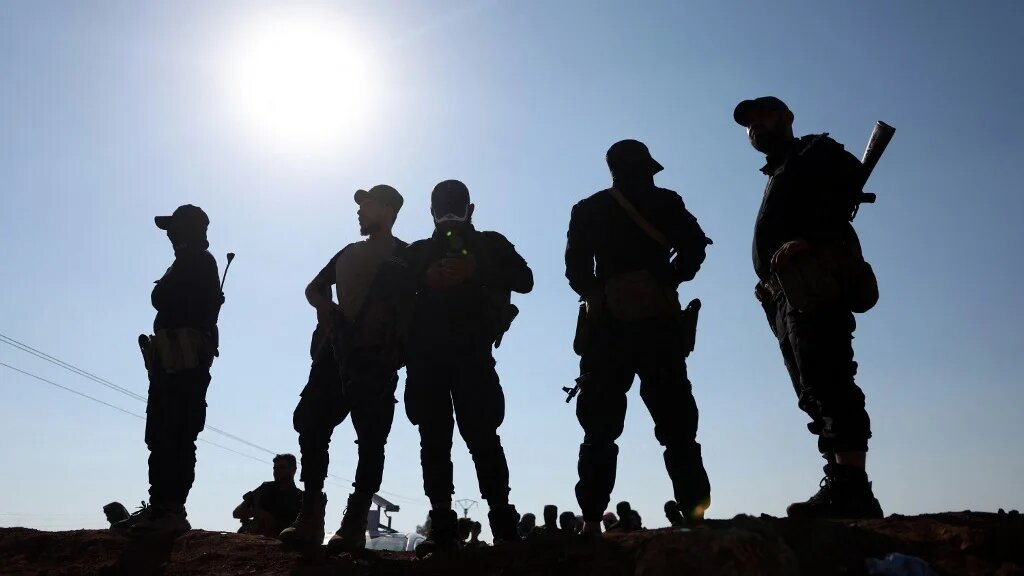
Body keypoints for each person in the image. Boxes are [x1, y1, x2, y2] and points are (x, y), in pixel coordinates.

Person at [734, 96, 882, 519]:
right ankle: (840, 482)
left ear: (786, 117)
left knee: (829, 375)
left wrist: (810, 239)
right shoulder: (781, 169)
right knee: (810, 387)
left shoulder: (815, 150)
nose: (755, 127)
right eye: (749, 125)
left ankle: (852, 484)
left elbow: (848, 190)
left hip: (813, 280)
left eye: (762, 117)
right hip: (785, 291)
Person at [565, 140, 713, 535]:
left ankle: (591, 520)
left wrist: (599, 295)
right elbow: (694, 250)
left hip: (606, 331)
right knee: (678, 425)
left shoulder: (588, 208)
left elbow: (575, 270)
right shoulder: (666, 202)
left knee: (598, 429)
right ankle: (695, 513)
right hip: (659, 325)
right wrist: (667, 280)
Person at [278, 185, 416, 552]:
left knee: (371, 440)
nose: (359, 211)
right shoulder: (348, 252)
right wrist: (325, 307)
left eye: (366, 205)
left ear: (387, 210)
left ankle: (354, 523)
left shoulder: (406, 256)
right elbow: (314, 288)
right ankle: (310, 515)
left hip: (375, 360)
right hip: (335, 354)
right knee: (311, 424)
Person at [406, 179, 534, 554]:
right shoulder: (416, 253)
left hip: (472, 357)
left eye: (455, 208)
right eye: (443, 209)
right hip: (428, 360)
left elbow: (525, 280)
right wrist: (424, 278)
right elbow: (388, 286)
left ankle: (503, 526)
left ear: (470, 210)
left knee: (481, 439)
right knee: (435, 441)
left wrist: (477, 269)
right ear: (432, 212)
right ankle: (444, 529)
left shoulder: (490, 245)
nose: (449, 216)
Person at [114, 204, 223, 536]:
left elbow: (176, 302)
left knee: (177, 432)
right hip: (168, 361)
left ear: (189, 230)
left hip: (185, 364)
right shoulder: (186, 263)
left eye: (175, 229)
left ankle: (171, 509)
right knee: (161, 434)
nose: (171, 236)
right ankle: (159, 506)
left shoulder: (199, 261)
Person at [234, 454, 303, 538]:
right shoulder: (265, 488)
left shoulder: (300, 497)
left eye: (282, 467)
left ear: (293, 470)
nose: (276, 471)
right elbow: (237, 513)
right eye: (275, 468)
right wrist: (259, 513)